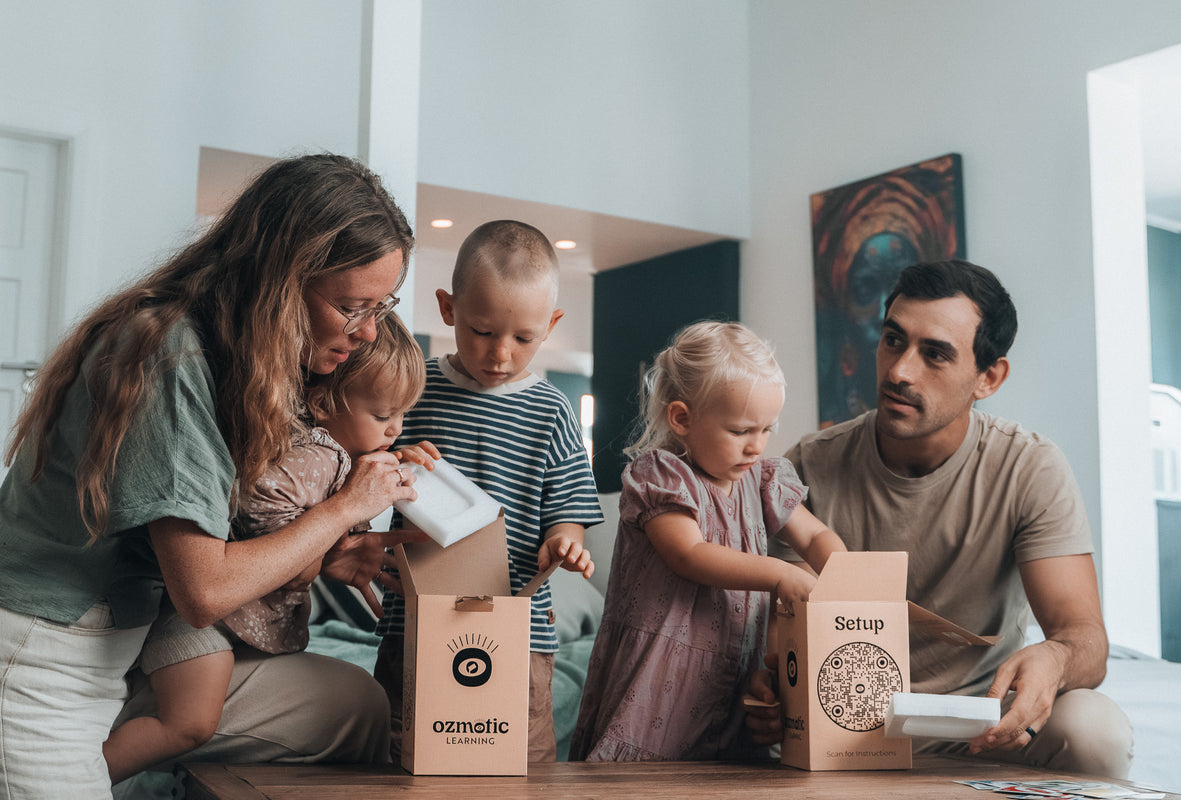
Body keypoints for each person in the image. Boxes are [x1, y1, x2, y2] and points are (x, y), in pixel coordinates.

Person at [0, 153, 423, 799]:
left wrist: (322, 550)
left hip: (126, 644)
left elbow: (242, 536)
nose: (367, 332)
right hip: (46, 653)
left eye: (380, 306)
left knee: (355, 706)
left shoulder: (239, 361)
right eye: (350, 306)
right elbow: (203, 590)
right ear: (281, 280)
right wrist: (339, 512)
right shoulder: (169, 354)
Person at [747, 260, 1132, 778]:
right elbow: (781, 630)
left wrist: (1056, 659)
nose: (900, 371)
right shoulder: (807, 467)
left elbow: (1085, 639)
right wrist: (774, 688)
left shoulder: (1029, 467)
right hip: (843, 729)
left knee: (1095, 729)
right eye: (893, 341)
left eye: (935, 354)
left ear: (988, 377)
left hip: (981, 729)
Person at [102, 314, 434, 786]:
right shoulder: (311, 456)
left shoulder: (342, 458)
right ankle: (76, 778)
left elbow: (329, 529)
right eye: (382, 417)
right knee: (189, 722)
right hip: (203, 623)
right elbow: (263, 510)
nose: (395, 430)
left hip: (240, 627)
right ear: (322, 403)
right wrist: (322, 539)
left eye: (403, 416)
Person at [374, 219, 603, 763]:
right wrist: (393, 459)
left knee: (520, 758)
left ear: (551, 325)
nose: (500, 354)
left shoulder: (552, 411)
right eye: (481, 331)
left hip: (518, 625)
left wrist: (565, 542)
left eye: (523, 338)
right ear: (448, 309)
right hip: (417, 617)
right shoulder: (413, 389)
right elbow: (368, 470)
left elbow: (567, 510)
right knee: (401, 751)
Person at [569, 321, 848, 762]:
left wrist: (846, 575)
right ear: (682, 418)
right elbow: (689, 553)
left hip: (731, 673)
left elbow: (814, 534)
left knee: (727, 773)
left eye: (766, 429)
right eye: (740, 431)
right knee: (641, 782)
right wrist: (781, 574)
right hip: (661, 673)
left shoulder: (764, 479)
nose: (756, 446)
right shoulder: (661, 475)